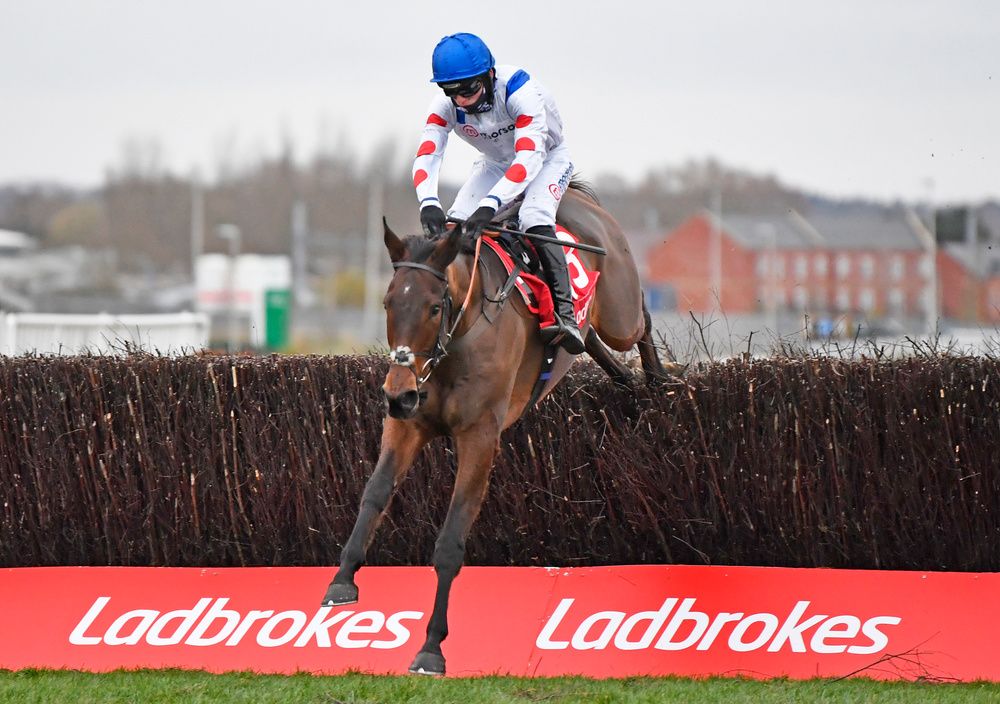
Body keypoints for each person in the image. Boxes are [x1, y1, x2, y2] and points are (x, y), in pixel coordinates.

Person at [411, 32, 585, 355]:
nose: (462, 101)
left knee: (533, 216)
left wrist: (490, 206)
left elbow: (528, 161)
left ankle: (565, 313)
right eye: (452, 92)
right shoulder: (445, 105)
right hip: (495, 165)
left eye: (470, 90)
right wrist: (429, 201)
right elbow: (427, 155)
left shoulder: (521, 91)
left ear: (489, 75)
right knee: (454, 225)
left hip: (545, 159)